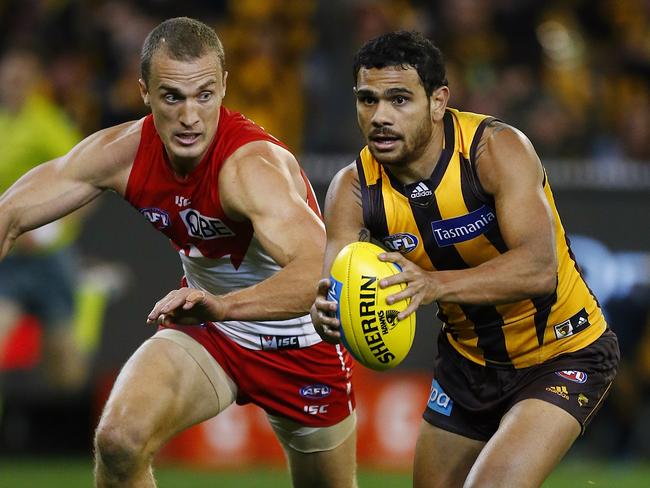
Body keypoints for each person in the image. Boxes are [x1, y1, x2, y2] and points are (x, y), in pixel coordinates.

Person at [0, 18, 357, 488]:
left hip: (299, 344)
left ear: (224, 87)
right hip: (211, 332)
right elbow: (10, 213)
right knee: (119, 440)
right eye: (173, 97)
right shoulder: (124, 151)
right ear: (144, 91)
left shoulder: (249, 169)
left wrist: (224, 306)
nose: (190, 116)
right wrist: (218, 312)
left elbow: (321, 270)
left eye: (204, 95)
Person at [311, 31, 619, 488]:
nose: (380, 117)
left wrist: (436, 286)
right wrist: (328, 315)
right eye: (367, 100)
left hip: (561, 352)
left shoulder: (494, 150)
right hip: (466, 367)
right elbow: (332, 287)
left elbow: (538, 268)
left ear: (438, 102)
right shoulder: (353, 190)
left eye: (399, 100)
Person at [0, 49, 89, 390]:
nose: (13, 86)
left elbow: (85, 182)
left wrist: (51, 232)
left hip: (51, 258)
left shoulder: (49, 124)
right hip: (10, 257)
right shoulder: (4, 123)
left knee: (63, 360)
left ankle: (85, 434)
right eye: (8, 79)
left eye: (20, 79)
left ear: (34, 83)